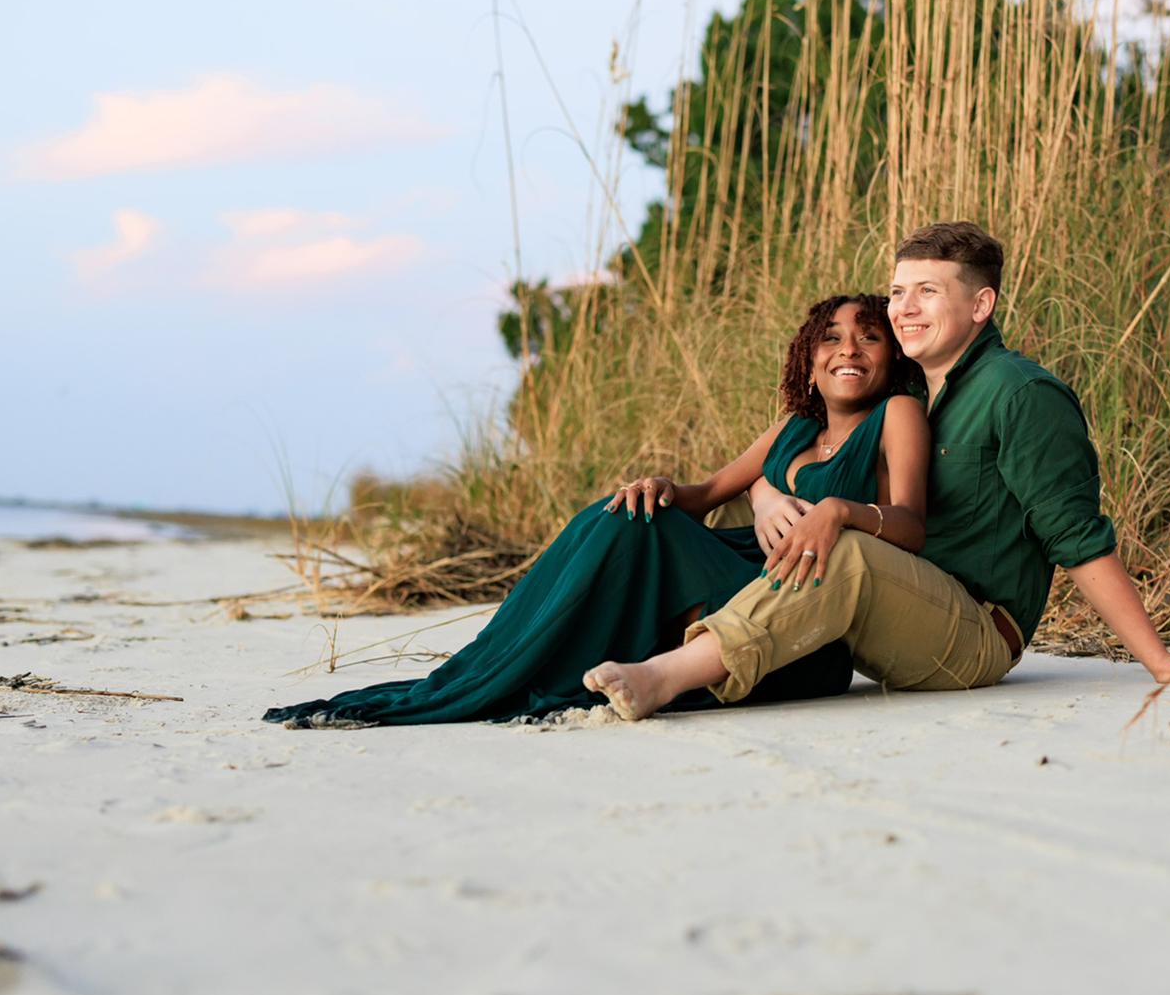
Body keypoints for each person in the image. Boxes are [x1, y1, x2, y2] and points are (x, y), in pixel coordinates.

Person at [581, 221, 1170, 721]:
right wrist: (761, 496)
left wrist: (1159, 660)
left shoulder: (1019, 393)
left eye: (926, 293)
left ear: (980, 306)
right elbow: (800, 463)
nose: (902, 308)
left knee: (843, 545)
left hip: (971, 634)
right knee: (739, 517)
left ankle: (665, 677)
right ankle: (623, 641)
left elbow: (1076, 537)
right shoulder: (902, 395)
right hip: (883, 614)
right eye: (899, 291)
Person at [262, 294, 931, 728]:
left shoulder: (896, 415)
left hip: (795, 619)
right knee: (624, 515)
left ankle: (568, 665)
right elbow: (700, 497)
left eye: (870, 337)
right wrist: (660, 486)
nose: (849, 349)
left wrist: (839, 509)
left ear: (889, 356)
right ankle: (505, 660)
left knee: (636, 530)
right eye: (832, 338)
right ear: (808, 361)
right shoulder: (789, 429)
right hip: (740, 577)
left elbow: (910, 524)